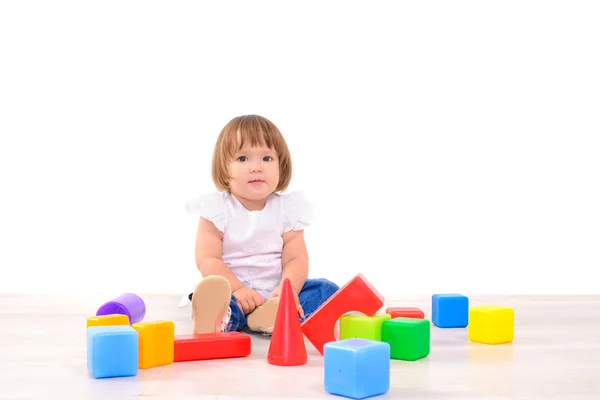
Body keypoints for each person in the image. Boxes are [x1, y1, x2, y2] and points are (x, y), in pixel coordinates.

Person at [184, 114, 339, 335]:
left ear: (281, 165)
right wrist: (238, 289)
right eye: (243, 159)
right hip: (234, 292)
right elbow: (208, 259)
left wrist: (288, 290)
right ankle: (221, 319)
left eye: (266, 159)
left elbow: (296, 258)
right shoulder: (217, 209)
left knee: (326, 289)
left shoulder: (288, 210)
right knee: (217, 296)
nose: (256, 167)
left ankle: (273, 314)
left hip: (276, 293)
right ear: (224, 168)